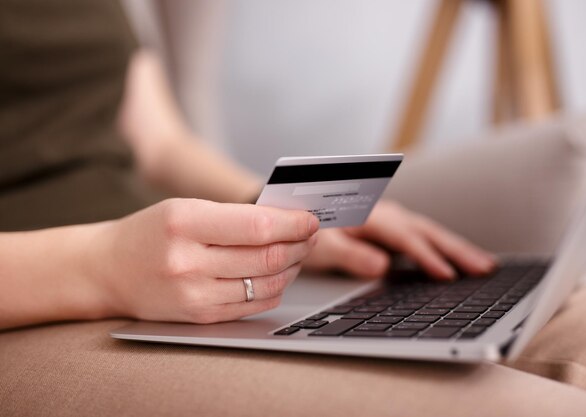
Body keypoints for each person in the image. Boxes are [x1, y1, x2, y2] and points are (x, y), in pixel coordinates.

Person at [0, 0, 495, 331]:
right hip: (48, 314)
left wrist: (270, 212)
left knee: (563, 329)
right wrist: (104, 266)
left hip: (159, 283)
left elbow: (159, 142)